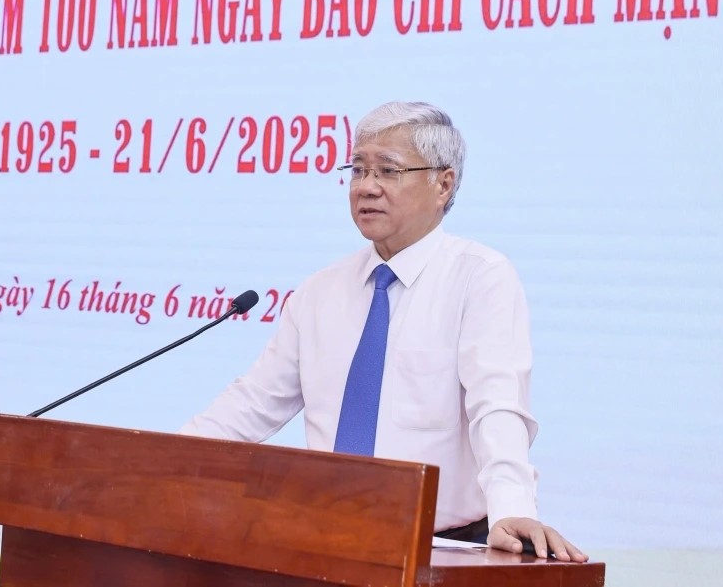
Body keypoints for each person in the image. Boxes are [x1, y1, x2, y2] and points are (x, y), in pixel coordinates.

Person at [180, 101, 587, 562]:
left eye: (388, 171)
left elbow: (497, 405)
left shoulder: (479, 277)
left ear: (443, 184)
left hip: (442, 547)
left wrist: (512, 507)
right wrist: (159, 464)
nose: (366, 187)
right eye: (358, 170)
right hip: (326, 539)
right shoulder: (319, 291)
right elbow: (251, 404)